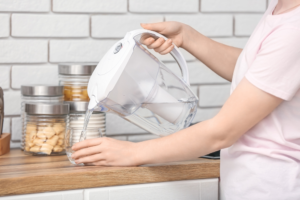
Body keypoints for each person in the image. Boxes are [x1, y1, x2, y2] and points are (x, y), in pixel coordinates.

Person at [71, 0, 300, 199]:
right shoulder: (280, 8)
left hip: (271, 185)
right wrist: (188, 37)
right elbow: (260, 72)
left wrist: (132, 153)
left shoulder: (293, 29)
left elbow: (222, 132)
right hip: (251, 182)